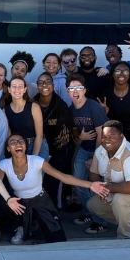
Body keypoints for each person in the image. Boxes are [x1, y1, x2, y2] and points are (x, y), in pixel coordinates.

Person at [0, 134, 109, 245]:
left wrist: (90, 185)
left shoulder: (36, 161)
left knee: (58, 240)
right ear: (8, 148)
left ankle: (32, 223)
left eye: (21, 141)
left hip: (40, 201)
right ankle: (20, 226)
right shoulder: (4, 164)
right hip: (20, 202)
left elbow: (63, 177)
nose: (18, 144)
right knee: (4, 203)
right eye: (13, 142)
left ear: (25, 146)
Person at [66, 73, 110, 233]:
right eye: (71, 88)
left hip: (101, 151)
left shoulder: (94, 107)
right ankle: (88, 213)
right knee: (78, 183)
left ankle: (101, 222)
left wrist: (94, 159)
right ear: (67, 92)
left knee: (98, 187)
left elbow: (102, 135)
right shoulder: (71, 109)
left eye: (78, 87)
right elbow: (74, 131)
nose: (75, 91)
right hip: (84, 149)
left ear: (84, 90)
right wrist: (80, 137)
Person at [32, 73, 75, 211]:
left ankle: (54, 211)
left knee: (52, 181)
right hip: (39, 147)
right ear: (37, 86)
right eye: (40, 83)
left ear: (53, 85)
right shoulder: (33, 103)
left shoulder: (61, 106)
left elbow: (64, 135)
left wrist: (50, 154)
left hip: (60, 149)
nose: (44, 85)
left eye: (47, 82)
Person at [5, 76, 48, 160]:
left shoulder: (34, 107)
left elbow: (39, 135)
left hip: (37, 145)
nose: (17, 89)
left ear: (25, 90)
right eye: (14, 86)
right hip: (18, 147)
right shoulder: (5, 110)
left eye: (20, 87)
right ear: (9, 89)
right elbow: (9, 137)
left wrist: (34, 158)